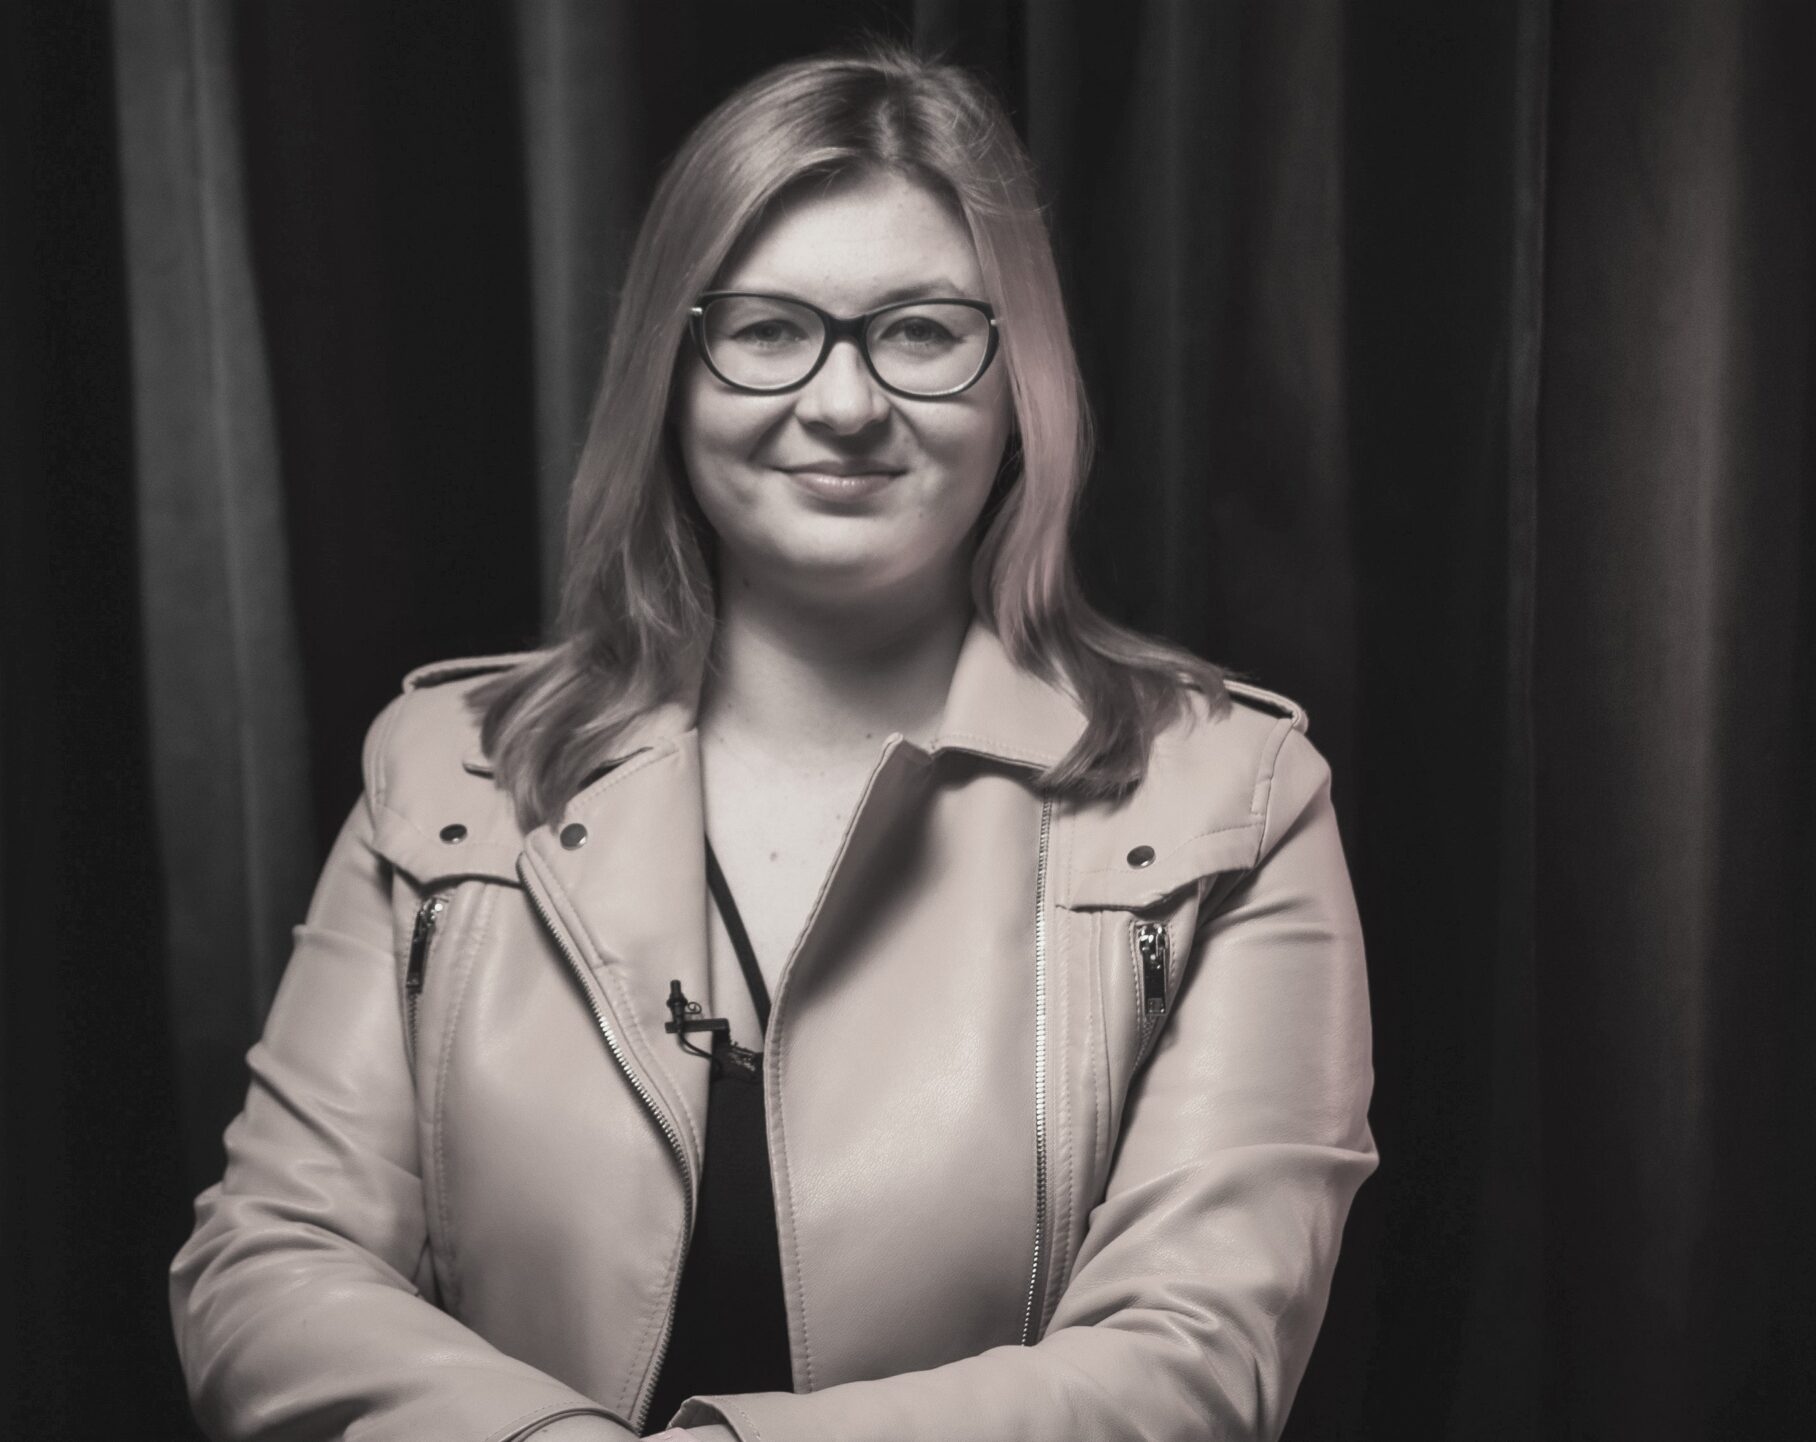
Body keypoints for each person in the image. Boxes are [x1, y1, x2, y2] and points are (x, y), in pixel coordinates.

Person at [169, 41, 1374, 1442]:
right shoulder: (448, 768)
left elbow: (1193, 1359)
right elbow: (269, 1269)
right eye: (766, 328)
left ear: (1021, 379)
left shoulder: (1231, 798)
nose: (846, 404)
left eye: (921, 331)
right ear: (670, 371)